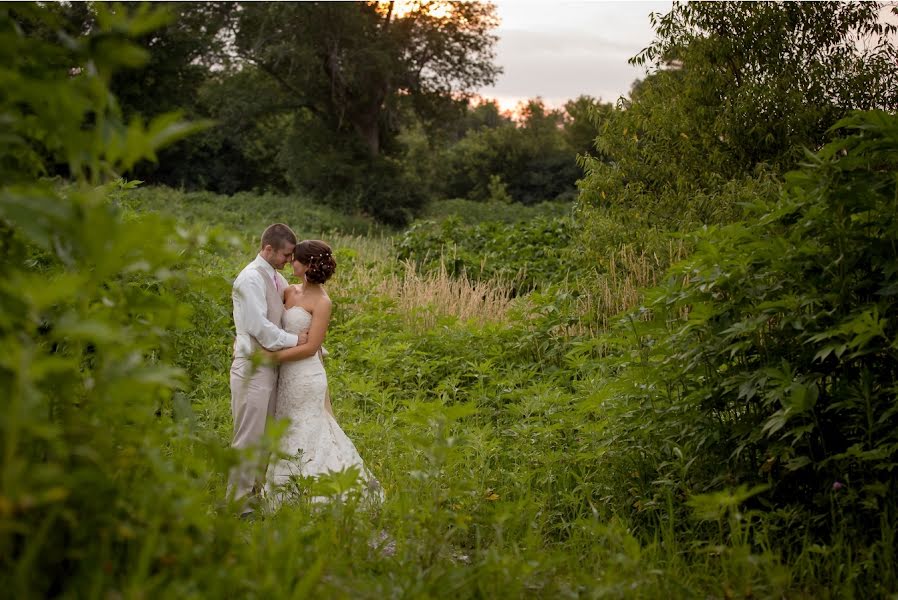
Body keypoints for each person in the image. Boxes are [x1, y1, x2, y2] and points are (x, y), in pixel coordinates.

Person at [265, 239, 383, 507]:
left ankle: (319, 492)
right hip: (286, 375)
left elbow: (311, 348)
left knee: (307, 427)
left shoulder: (322, 301)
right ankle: (286, 488)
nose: (290, 261)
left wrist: (272, 357)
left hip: (306, 377)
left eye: (295, 258)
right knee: (286, 427)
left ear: (307, 265)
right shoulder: (288, 291)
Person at [228, 223, 306, 516]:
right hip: (251, 367)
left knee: (265, 436)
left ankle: (256, 496)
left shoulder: (274, 277)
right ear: (268, 249)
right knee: (248, 436)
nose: (289, 260)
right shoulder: (250, 279)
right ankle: (237, 503)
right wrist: (297, 340)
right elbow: (260, 328)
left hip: (271, 366)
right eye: (286, 255)